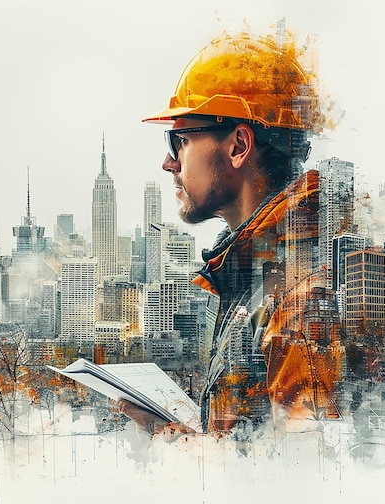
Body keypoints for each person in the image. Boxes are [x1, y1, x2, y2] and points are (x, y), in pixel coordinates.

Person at [121, 29, 342, 439]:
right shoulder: (252, 278)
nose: (168, 162)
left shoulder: (299, 297)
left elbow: (304, 481)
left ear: (239, 145)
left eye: (180, 140)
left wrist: (173, 445)